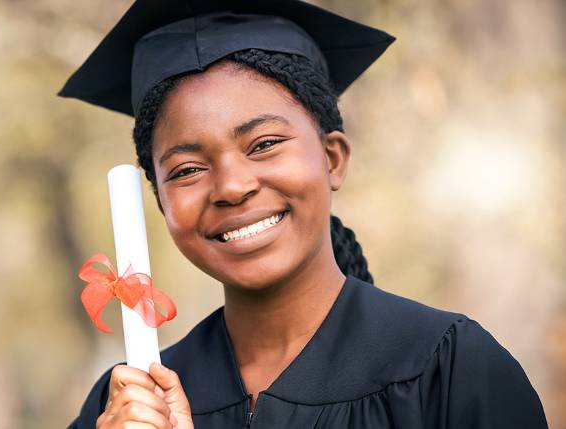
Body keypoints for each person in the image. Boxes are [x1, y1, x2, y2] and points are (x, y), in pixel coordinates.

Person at [59, 1, 549, 428]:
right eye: (187, 169)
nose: (231, 186)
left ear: (332, 158)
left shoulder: (450, 369)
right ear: (162, 201)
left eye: (265, 144)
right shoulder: (127, 404)